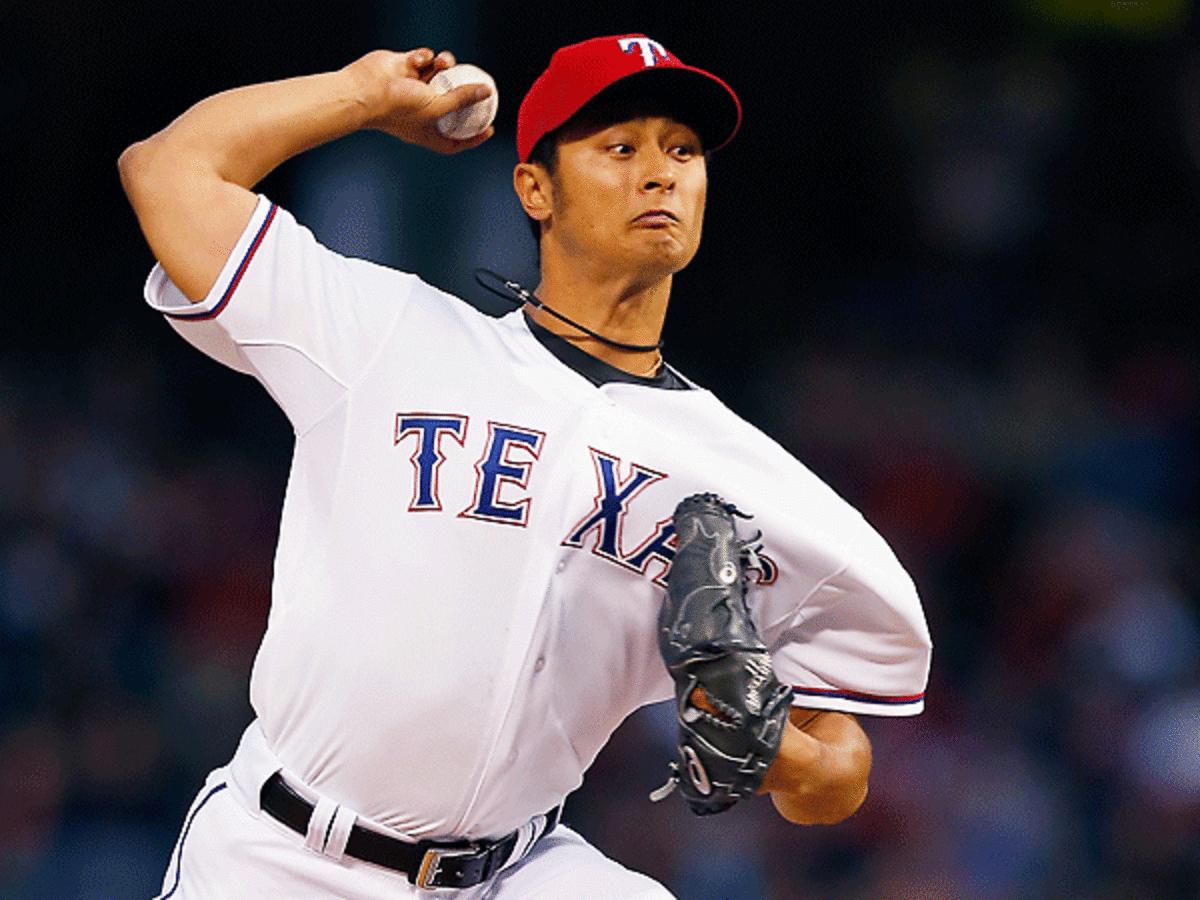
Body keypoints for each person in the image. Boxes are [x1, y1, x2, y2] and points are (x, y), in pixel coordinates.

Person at [119, 33, 931, 898]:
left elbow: (841, 777)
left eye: (683, 151)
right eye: (620, 148)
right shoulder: (388, 336)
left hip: (514, 871)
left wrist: (779, 754)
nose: (661, 174)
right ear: (534, 189)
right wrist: (361, 95)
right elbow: (167, 170)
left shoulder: (748, 483)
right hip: (283, 857)